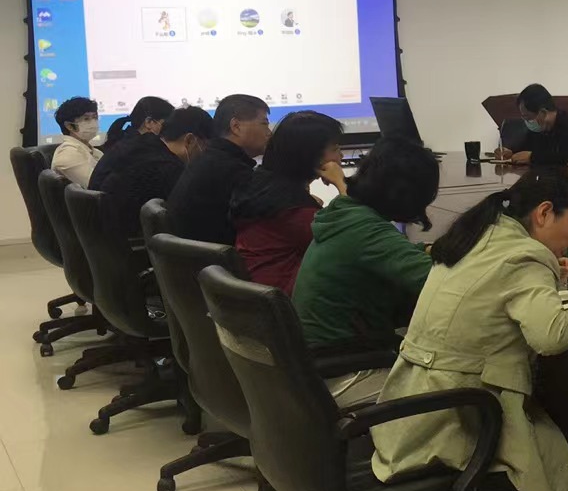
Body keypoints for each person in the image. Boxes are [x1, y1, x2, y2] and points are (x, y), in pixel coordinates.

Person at [372, 173, 568, 491]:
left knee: (559, 422)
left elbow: (497, 303)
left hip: (414, 401)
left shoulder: (477, 238)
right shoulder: (524, 255)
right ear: (544, 213)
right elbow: (550, 336)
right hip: (458, 417)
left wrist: (550, 279)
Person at [293, 137, 438, 358]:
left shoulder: (346, 213)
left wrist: (425, 249)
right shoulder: (365, 228)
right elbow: (438, 283)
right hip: (346, 361)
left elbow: (386, 250)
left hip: (320, 352)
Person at [229, 111, 345, 296]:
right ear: (312, 156)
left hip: (261, 296)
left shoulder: (262, 183)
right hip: (288, 302)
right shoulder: (296, 212)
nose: (341, 155)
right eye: (335, 149)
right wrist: (342, 184)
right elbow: (353, 240)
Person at [165, 95, 271, 245]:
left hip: (195, 256)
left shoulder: (210, 159)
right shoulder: (232, 170)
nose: (269, 132)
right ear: (236, 126)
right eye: (264, 124)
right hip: (215, 257)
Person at [94, 106, 213, 234]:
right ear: (189, 140)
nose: (206, 154)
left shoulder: (138, 147)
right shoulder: (168, 168)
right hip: (134, 241)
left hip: (109, 234)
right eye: (206, 147)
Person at [498, 85, 568, 166]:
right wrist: (511, 153)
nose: (527, 122)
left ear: (543, 112)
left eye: (528, 117)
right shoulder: (539, 129)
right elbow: (526, 147)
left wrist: (533, 157)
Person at [50, 96, 102, 186]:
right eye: (86, 119)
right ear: (69, 126)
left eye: (95, 117)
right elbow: (97, 185)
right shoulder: (68, 154)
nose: (93, 123)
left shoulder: (94, 152)